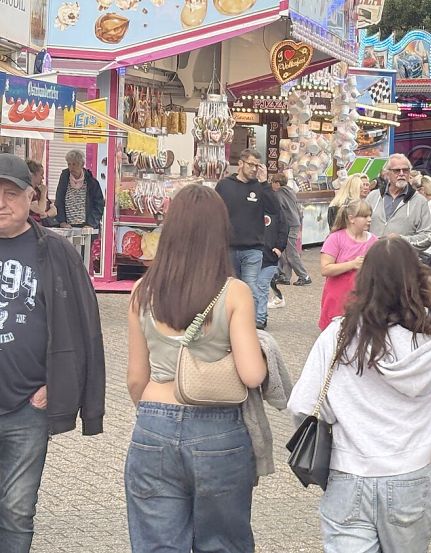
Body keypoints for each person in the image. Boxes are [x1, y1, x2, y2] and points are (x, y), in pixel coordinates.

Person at [288, 238, 431, 552]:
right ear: (417, 279)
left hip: (348, 473)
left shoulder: (339, 334)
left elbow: (302, 405)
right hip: (409, 475)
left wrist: (340, 417)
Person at [125, 184, 267, 552]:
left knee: (157, 544)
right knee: (221, 543)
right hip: (217, 428)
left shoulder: (142, 290)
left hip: (153, 421)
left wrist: (156, 414)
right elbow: (252, 375)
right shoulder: (234, 292)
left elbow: (136, 377)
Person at [0, 154, 105, 553]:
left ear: (33, 197)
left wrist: (58, 385)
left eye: (11, 194)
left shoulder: (55, 251)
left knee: (16, 509)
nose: (1, 203)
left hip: (28, 406)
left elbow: (82, 326)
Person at [216, 149, 283, 326]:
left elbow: (274, 209)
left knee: (250, 286)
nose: (254, 169)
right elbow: (214, 211)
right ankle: (230, 322)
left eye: (257, 165)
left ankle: (252, 323)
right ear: (240, 164)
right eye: (251, 165)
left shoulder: (260, 188)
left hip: (253, 248)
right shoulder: (224, 185)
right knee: (230, 287)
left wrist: (265, 183)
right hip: (228, 246)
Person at [318, 200, 378, 330]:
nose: (369, 219)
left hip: (362, 300)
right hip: (337, 299)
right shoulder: (335, 238)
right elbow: (325, 269)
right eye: (364, 216)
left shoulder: (373, 241)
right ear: (351, 219)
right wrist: (352, 264)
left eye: (370, 216)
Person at [365, 154, 431, 251]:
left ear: (409, 173)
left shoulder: (420, 201)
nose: (401, 174)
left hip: (403, 262)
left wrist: (401, 240)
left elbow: (428, 237)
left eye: (405, 170)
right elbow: (360, 230)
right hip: (374, 260)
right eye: (397, 170)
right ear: (387, 173)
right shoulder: (373, 196)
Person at [255, 168, 289, 330]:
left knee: (262, 286)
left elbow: (284, 226)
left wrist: (279, 247)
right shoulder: (253, 212)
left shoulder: (276, 208)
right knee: (252, 287)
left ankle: (260, 318)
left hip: (269, 254)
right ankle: (255, 316)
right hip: (253, 252)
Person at [271, 173, 311, 287]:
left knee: (291, 251)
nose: (271, 186)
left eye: (272, 183)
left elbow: (278, 209)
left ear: (277, 183)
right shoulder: (290, 191)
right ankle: (285, 276)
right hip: (294, 222)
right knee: (285, 250)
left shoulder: (279, 194)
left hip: (288, 224)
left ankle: (304, 276)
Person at [55, 149, 105, 229]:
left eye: (74, 164)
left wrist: (91, 224)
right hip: (67, 226)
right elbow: (59, 201)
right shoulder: (64, 179)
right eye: (69, 164)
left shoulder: (92, 182)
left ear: (82, 164)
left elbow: (99, 205)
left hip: (86, 226)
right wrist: (62, 222)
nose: (71, 167)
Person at [26, 160, 56, 225]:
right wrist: (43, 194)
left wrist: (46, 214)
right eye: (41, 175)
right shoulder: (27, 191)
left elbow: (54, 210)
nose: (43, 178)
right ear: (33, 175)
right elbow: (42, 210)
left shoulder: (39, 190)